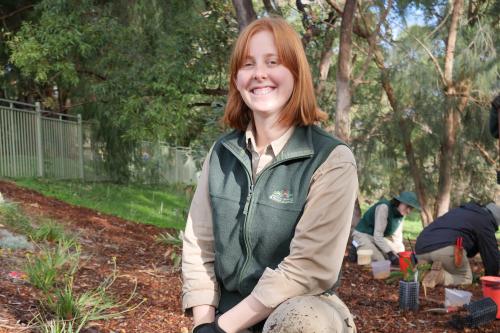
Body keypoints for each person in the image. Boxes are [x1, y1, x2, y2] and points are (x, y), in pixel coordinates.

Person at [181, 18, 358, 333]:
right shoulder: (221, 154)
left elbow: (307, 269)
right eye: (248, 64)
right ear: (237, 80)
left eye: (273, 62)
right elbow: (200, 247)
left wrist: (224, 328)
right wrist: (204, 325)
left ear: (295, 73)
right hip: (225, 315)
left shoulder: (331, 159)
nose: (259, 73)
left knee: (304, 321)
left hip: (299, 310)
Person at [415, 202, 500, 288]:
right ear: (494, 221)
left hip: (421, 247)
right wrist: (492, 280)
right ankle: (441, 276)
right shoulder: (485, 221)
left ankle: (423, 269)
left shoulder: (462, 210)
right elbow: (492, 256)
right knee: (465, 278)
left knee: (443, 261)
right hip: (444, 249)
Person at [350, 192, 420, 265]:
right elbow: (378, 236)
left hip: (375, 237)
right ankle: (357, 246)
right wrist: (390, 254)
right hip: (363, 234)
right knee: (381, 261)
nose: (408, 211)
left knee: (398, 250)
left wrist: (401, 255)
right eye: (407, 206)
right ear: (400, 202)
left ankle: (369, 250)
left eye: (411, 208)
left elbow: (397, 238)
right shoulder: (384, 207)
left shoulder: (401, 214)